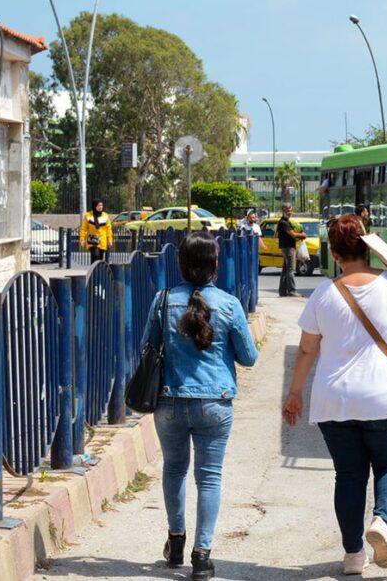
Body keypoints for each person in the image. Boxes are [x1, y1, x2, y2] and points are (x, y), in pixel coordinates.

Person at [283, 214, 387, 575]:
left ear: (334, 253)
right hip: (386, 398)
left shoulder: (323, 294)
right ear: (368, 246)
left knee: (349, 476)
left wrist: (295, 393)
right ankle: (381, 521)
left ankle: (353, 556)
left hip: (334, 401)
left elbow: (307, 349)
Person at [142, 232, 259, 580]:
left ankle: (175, 542)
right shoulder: (229, 304)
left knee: (174, 470)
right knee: (209, 478)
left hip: (169, 400)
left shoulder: (163, 301)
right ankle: (202, 556)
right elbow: (249, 357)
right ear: (214, 266)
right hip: (215, 404)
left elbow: (148, 346)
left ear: (179, 263)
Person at [276, 205, 306, 297]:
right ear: (283, 211)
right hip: (288, 248)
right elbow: (292, 234)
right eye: (287, 210)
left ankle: (282, 291)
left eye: (290, 210)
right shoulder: (283, 223)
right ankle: (292, 291)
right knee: (290, 269)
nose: (289, 212)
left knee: (285, 269)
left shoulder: (287, 222)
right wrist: (302, 235)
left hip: (287, 248)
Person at [80, 199, 114, 263]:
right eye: (98, 205)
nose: (100, 207)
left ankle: (98, 272)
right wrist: (82, 239)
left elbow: (108, 229)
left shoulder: (105, 215)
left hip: (102, 241)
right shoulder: (88, 215)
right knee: (95, 255)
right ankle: (94, 271)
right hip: (92, 240)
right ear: (94, 206)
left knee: (100, 258)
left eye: (101, 205)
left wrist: (110, 239)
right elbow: (83, 228)